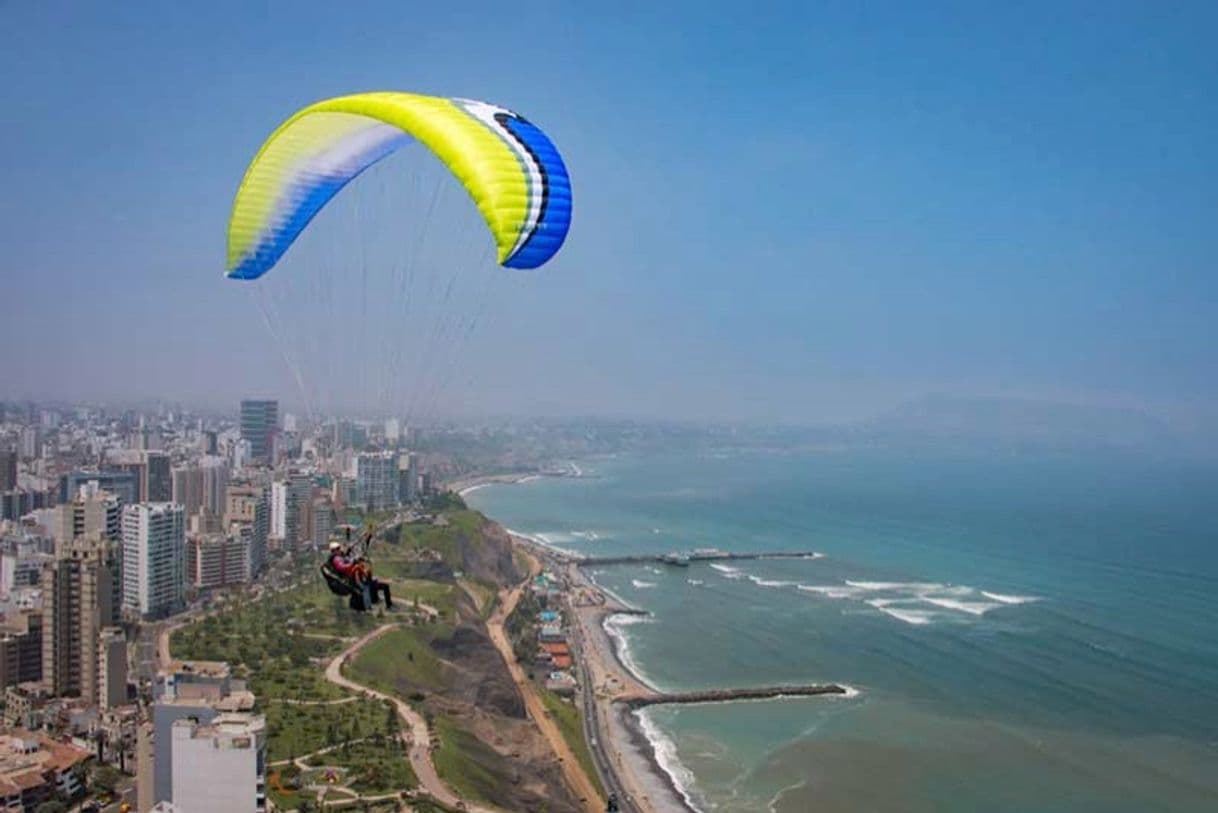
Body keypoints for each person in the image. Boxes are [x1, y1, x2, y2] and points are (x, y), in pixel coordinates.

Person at [326, 535, 393, 611]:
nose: (340, 550)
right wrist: (353, 563)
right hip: (353, 579)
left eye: (339, 548)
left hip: (357, 577)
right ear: (334, 551)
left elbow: (347, 558)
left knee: (374, 582)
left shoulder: (341, 556)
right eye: (338, 549)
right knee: (366, 587)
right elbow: (342, 567)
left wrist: (350, 555)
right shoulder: (336, 559)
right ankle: (372, 605)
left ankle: (380, 602)